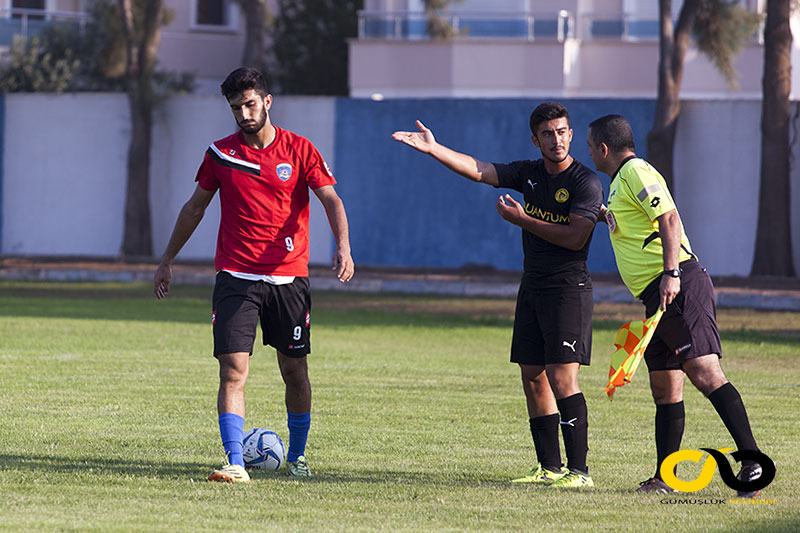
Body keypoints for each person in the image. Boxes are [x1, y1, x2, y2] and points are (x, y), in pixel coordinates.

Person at [154, 67, 354, 483]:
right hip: (236, 276)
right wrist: (167, 258)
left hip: (289, 278)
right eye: (235, 108)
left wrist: (343, 247)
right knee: (233, 369)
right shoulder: (220, 154)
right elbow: (195, 208)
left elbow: (331, 199)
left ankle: (297, 458)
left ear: (267, 101)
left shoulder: (300, 150)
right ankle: (234, 461)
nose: (244, 114)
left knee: (294, 371)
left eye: (249, 104)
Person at [392, 102, 603, 488]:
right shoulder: (529, 172)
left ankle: (579, 473)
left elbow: (575, 237)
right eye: (547, 134)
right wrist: (434, 149)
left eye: (562, 132)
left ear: (571, 134)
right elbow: (479, 170)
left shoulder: (585, 181)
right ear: (535, 139)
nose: (556, 140)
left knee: (561, 376)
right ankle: (549, 468)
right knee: (533, 377)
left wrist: (524, 220)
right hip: (533, 285)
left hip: (567, 289)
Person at [586, 114, 764, 496]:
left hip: (678, 284)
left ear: (603, 148)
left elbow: (667, 217)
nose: (589, 154)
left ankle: (753, 465)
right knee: (666, 387)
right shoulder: (619, 185)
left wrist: (671, 273)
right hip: (657, 298)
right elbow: (639, 225)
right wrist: (606, 217)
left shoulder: (634, 170)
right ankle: (665, 477)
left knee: (704, 371)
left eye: (589, 147)